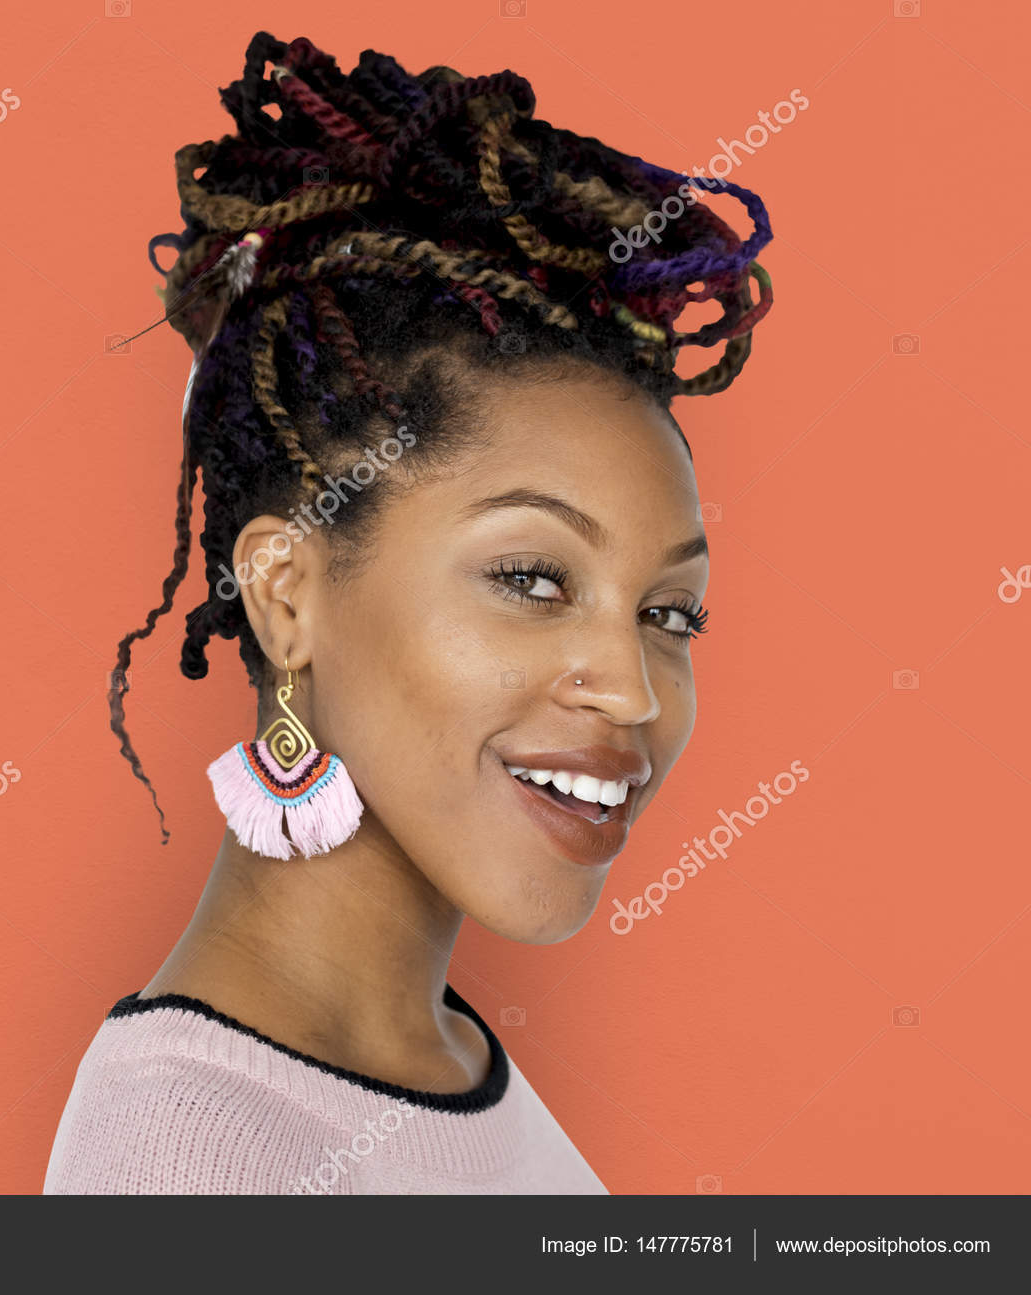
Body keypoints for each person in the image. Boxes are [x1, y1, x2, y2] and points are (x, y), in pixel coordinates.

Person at [44, 30, 773, 1194]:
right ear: (286, 595)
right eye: (532, 579)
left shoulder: (439, 1059)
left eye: (668, 612)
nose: (633, 688)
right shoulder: (194, 1163)